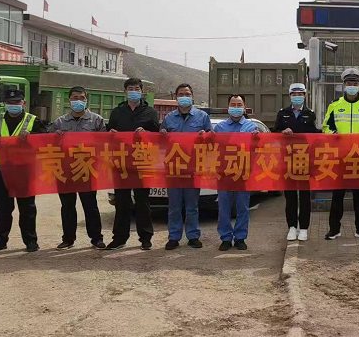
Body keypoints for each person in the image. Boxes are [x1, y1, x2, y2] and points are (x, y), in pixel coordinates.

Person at [0, 88, 46, 253]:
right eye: (10, 102)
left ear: (23, 103)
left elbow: (44, 142)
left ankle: (31, 241)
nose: (13, 105)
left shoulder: (33, 121)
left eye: (17, 102)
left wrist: (31, 136)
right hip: (0, 169)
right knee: (2, 208)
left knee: (27, 207)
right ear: (5, 104)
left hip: (24, 169)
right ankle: (0, 241)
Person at [49, 86, 107, 250]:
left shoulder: (96, 120)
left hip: (87, 168)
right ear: (69, 101)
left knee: (90, 205)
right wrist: (55, 137)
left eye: (82, 98)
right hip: (65, 170)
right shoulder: (60, 122)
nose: (78, 101)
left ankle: (96, 238)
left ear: (86, 100)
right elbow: (47, 142)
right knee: (67, 206)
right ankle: (68, 239)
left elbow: (104, 143)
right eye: (75, 98)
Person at [106, 77, 160, 250]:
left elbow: (158, 137)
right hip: (121, 162)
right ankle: (119, 238)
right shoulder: (117, 112)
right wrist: (111, 133)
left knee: (142, 201)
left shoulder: (150, 112)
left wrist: (146, 133)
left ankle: (145, 237)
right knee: (121, 201)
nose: (134, 92)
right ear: (125, 92)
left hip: (142, 161)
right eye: (130, 89)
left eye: (137, 89)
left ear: (141, 91)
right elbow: (108, 134)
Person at [322, 68, 359, 241]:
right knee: (337, 195)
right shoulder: (334, 105)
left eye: (355, 83)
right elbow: (325, 127)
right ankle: (334, 230)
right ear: (344, 85)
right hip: (339, 157)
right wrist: (333, 135)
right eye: (349, 83)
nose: (352, 86)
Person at [160, 83, 212, 250]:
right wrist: (162, 135)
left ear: (192, 96)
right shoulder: (169, 118)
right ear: (176, 98)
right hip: (174, 168)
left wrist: (206, 136)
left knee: (192, 206)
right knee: (174, 206)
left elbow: (212, 138)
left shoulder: (202, 117)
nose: (184, 97)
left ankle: (193, 236)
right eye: (181, 94)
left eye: (187, 94)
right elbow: (160, 142)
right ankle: (173, 237)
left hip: (193, 168)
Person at [274, 83, 320, 242]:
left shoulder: (310, 114)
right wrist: (282, 132)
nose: (297, 97)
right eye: (294, 94)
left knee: (305, 196)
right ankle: (292, 227)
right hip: (287, 159)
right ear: (290, 96)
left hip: (305, 160)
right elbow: (274, 133)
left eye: (300, 94)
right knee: (290, 196)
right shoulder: (283, 113)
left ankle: (304, 228)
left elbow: (315, 135)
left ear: (305, 96)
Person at [214, 94, 259, 251]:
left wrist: (257, 140)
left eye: (239, 105)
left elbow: (257, 150)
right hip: (224, 173)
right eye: (233, 105)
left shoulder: (251, 128)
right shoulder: (219, 128)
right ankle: (226, 238)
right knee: (224, 208)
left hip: (243, 173)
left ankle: (240, 237)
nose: (236, 107)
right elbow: (212, 148)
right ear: (228, 107)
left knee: (242, 207)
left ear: (244, 107)